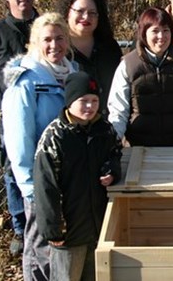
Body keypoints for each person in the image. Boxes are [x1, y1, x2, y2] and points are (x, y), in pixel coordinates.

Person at [2, 12, 77, 281]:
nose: (54, 45)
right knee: (39, 250)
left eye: (59, 38)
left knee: (62, 249)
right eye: (47, 39)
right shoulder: (25, 83)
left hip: (70, 180)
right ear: (34, 43)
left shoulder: (73, 74)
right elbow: (19, 142)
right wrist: (30, 189)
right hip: (41, 184)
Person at [34, 71, 121, 281]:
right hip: (69, 232)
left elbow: (115, 154)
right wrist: (53, 229)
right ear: (70, 102)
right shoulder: (55, 137)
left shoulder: (105, 130)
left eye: (94, 101)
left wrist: (112, 170)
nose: (90, 107)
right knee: (67, 275)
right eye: (83, 101)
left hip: (98, 225)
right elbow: (45, 186)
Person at [107, 7, 173, 147]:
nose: (161, 37)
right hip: (139, 148)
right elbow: (118, 112)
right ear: (143, 33)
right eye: (155, 31)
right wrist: (113, 147)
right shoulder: (128, 65)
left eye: (166, 30)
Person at [0, 0, 37, 256]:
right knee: (13, 171)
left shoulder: (46, 26)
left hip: (44, 110)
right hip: (9, 116)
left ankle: (47, 223)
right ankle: (21, 229)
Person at [56, 0, 122, 116]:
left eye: (92, 13)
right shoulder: (58, 51)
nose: (86, 17)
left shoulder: (110, 48)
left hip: (110, 127)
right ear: (67, 13)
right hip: (73, 130)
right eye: (80, 11)